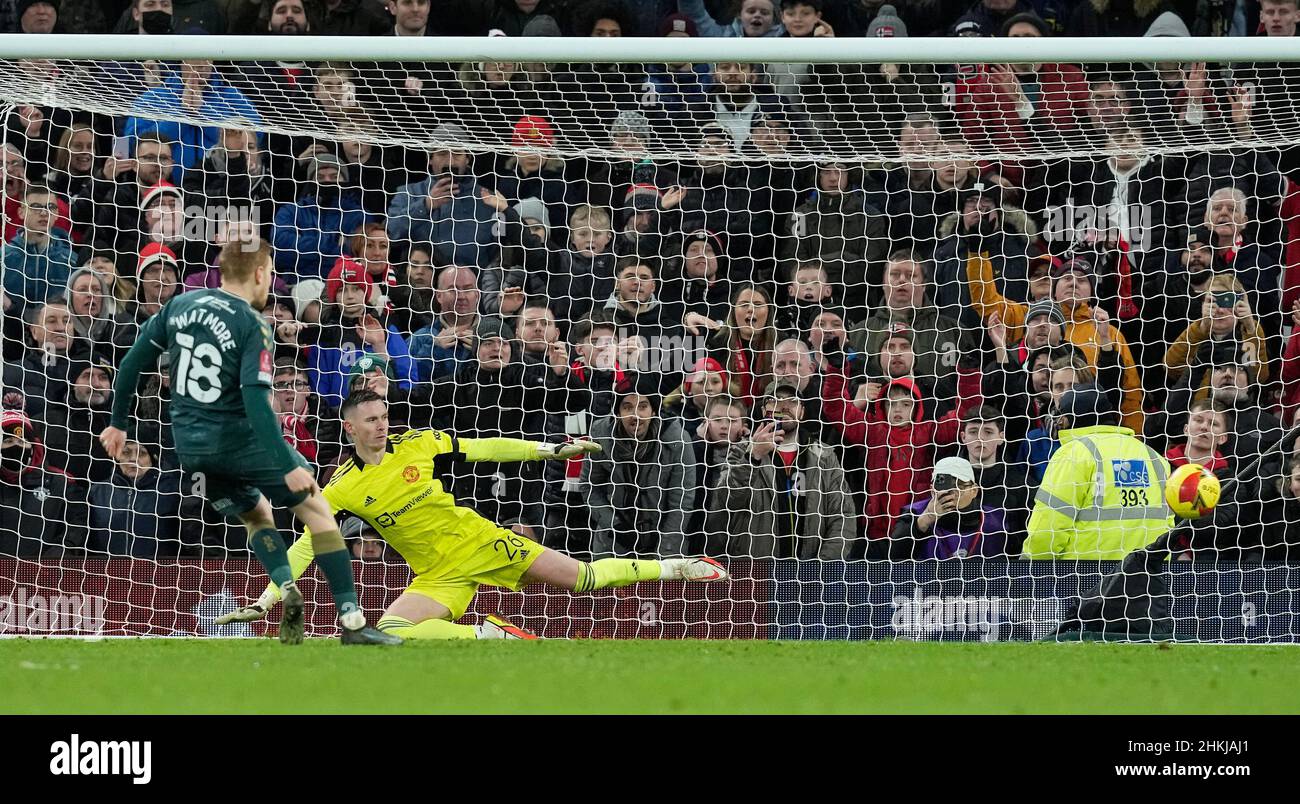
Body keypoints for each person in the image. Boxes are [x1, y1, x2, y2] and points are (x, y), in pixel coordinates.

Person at [217, 389, 728, 639]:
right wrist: (269, 598)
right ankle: (488, 634)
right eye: (370, 420)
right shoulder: (343, 486)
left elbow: (484, 448)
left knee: (584, 579)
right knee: (389, 632)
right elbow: (311, 541)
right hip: (438, 573)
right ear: (349, 428)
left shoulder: (417, 443)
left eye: (384, 416)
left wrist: (548, 451)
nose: (381, 425)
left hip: (481, 541)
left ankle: (677, 566)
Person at [99, 237, 398, 645]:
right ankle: (352, 621)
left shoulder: (180, 306)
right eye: (270, 273)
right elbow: (258, 400)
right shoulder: (252, 323)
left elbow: (131, 363)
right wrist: (288, 462)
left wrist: (117, 424)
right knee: (319, 511)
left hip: (189, 447)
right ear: (260, 274)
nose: (270, 281)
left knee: (256, 512)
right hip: (237, 439)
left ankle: (286, 587)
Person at [1023, 385, 1173, 560]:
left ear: (1064, 419)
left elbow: (1049, 526)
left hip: (1086, 578)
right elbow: (1167, 524)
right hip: (1148, 578)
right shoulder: (1154, 457)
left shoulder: (1073, 454)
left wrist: (1030, 567)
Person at [713, 381, 856, 559]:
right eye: (776, 400)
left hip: (810, 576)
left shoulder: (824, 456)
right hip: (757, 573)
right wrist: (754, 455)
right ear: (764, 410)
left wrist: (823, 566)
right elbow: (725, 501)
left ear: (802, 412)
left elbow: (843, 516)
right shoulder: (741, 450)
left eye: (793, 401)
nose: (784, 406)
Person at [890, 456, 1009, 560]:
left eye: (959, 486)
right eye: (943, 486)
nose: (951, 493)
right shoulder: (914, 513)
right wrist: (925, 519)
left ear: (974, 490)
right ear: (932, 490)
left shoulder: (995, 520)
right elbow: (894, 557)